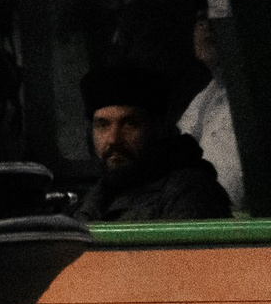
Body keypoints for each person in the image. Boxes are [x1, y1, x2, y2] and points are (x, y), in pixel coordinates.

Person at [73, 65, 234, 223]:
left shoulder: (189, 192)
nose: (113, 139)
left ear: (157, 128)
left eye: (130, 124)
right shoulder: (100, 193)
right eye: (103, 125)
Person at [182, 13, 247, 214]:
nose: (206, 26)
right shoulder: (205, 96)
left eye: (214, 15)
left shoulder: (254, 95)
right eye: (200, 18)